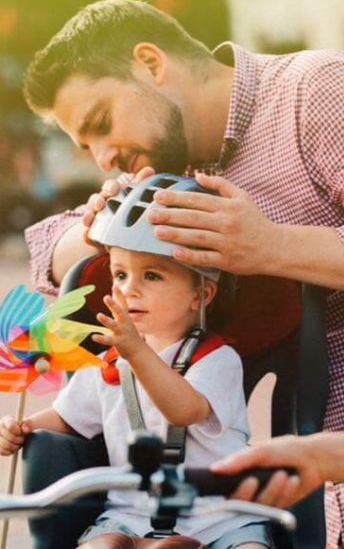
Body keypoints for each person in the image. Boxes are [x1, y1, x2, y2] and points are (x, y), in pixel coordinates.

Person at [22, 0, 344, 548]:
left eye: (103, 123)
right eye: (87, 146)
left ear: (150, 63)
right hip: (310, 499)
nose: (103, 158)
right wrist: (103, 227)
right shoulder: (172, 171)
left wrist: (270, 246)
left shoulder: (314, 90)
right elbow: (48, 251)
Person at [0, 177, 274, 549]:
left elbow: (183, 409)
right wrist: (24, 426)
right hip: (131, 514)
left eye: (152, 275)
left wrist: (135, 352)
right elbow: (70, 417)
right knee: (98, 545)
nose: (129, 289)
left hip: (218, 514)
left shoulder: (216, 360)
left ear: (201, 294)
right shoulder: (110, 360)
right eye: (120, 274)